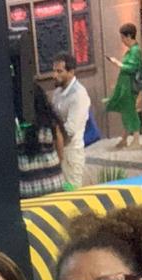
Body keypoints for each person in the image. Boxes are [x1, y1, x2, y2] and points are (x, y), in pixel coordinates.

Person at [17, 84, 65, 198]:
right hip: (55, 184)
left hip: (27, 189)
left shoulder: (16, 127)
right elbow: (61, 154)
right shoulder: (51, 123)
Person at [51, 53, 91, 189]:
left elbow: (70, 130)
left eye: (59, 71)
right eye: (54, 71)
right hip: (57, 151)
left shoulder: (79, 95)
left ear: (71, 72)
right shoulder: (57, 92)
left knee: (72, 194)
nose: (54, 75)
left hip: (71, 154)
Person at [105, 23, 142, 148]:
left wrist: (117, 63)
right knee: (126, 110)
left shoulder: (135, 51)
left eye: (123, 37)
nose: (122, 40)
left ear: (129, 36)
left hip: (130, 86)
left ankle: (135, 139)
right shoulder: (132, 51)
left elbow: (131, 68)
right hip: (126, 85)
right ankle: (125, 138)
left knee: (129, 110)